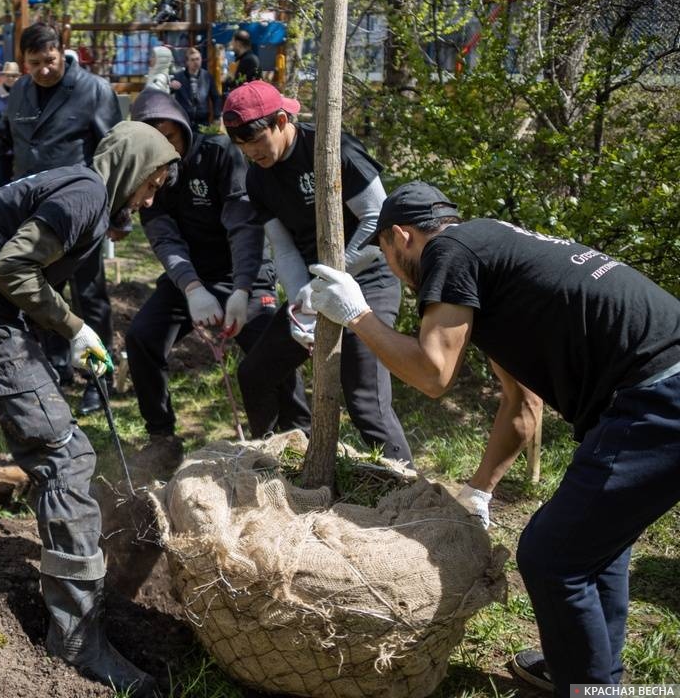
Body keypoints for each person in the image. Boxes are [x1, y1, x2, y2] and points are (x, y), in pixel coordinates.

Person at [306, 181, 680, 697]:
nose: (393, 269)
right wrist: (480, 488)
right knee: (594, 546)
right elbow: (522, 404)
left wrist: (358, 316)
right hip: (652, 391)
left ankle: (593, 690)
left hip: (659, 397)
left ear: (401, 237)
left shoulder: (448, 252)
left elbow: (433, 375)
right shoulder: (493, 257)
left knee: (552, 556)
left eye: (388, 257)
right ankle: (588, 673)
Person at [0, 120, 178, 697]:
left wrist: (74, 336)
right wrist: (72, 326)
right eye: (154, 183)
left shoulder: (82, 189)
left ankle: (74, 586)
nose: (151, 198)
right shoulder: (87, 196)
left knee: (61, 447)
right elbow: (10, 268)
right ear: (133, 168)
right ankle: (76, 642)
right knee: (64, 458)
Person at [0, 21, 123, 416]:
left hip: (79, 213)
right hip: (32, 213)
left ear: (62, 52)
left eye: (49, 60)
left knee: (89, 296)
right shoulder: (20, 91)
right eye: (34, 63)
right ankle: (53, 366)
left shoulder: (93, 90)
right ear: (24, 62)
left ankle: (100, 380)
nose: (43, 70)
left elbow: (113, 153)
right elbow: (0, 139)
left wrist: (117, 214)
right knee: (37, 292)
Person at [224, 80, 413, 464]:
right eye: (240, 145)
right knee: (256, 374)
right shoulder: (257, 176)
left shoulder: (331, 149)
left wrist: (331, 280)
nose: (249, 152)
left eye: (255, 141)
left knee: (365, 401)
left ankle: (408, 493)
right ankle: (278, 465)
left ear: (280, 120)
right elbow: (283, 246)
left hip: (367, 275)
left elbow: (378, 219)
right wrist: (300, 303)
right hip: (313, 284)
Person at [125, 90, 275, 455]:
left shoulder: (220, 154)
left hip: (243, 271)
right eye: (154, 139)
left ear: (184, 129)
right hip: (189, 278)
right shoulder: (149, 174)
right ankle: (161, 436)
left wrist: (241, 290)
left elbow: (243, 227)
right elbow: (164, 239)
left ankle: (280, 438)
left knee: (271, 349)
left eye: (170, 136)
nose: (165, 148)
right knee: (142, 337)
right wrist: (192, 288)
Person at [170, 47, 220, 129]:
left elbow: (216, 97)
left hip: (202, 120)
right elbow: (169, 96)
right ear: (187, 62)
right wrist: (171, 87)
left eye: (197, 59)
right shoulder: (178, 77)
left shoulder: (207, 76)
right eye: (192, 60)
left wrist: (217, 116)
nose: (196, 62)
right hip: (184, 120)